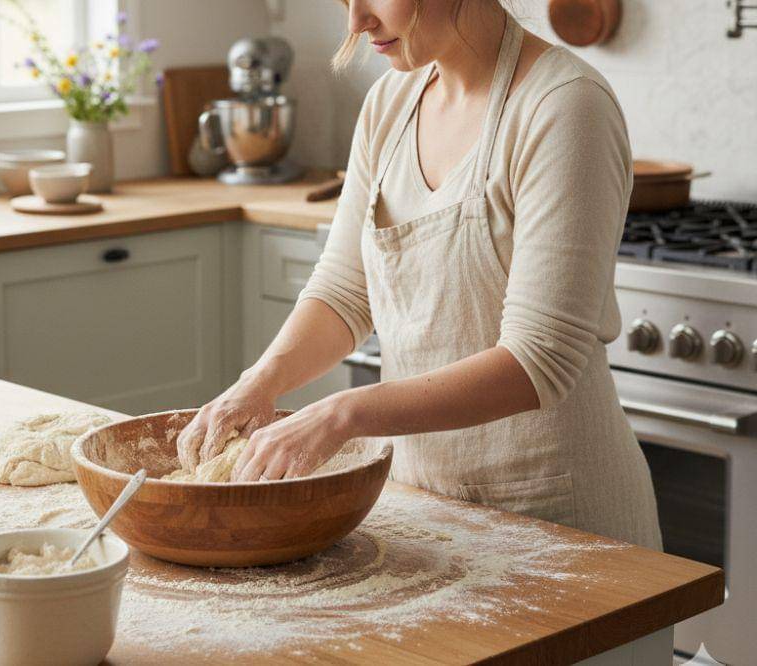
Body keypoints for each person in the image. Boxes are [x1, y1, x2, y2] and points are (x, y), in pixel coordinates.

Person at [177, 0, 661, 549]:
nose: (357, 22)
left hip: (560, 523)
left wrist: (342, 414)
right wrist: (258, 385)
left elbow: (540, 359)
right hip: (425, 506)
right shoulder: (390, 102)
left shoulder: (565, 106)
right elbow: (345, 290)